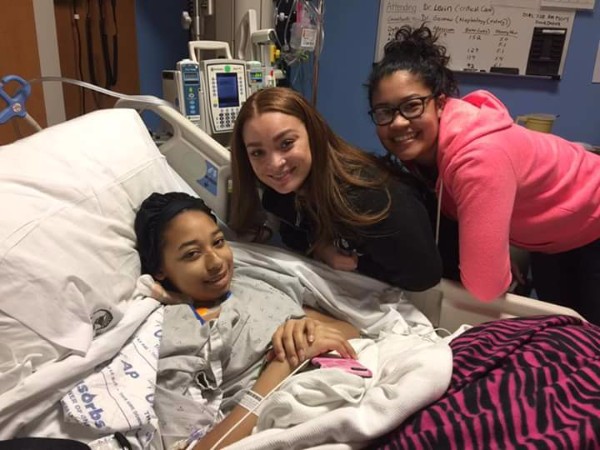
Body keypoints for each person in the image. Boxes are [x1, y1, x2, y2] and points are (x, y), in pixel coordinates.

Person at [366, 24, 600, 323]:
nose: (398, 123)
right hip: (552, 232)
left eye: (412, 106)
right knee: (562, 325)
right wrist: (492, 251)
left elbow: (485, 288)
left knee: (588, 335)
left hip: (593, 215)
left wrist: (489, 265)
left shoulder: (478, 159)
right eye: (384, 111)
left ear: (440, 103)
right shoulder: (424, 153)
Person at [134, 191, 360, 449]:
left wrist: (308, 330)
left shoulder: (258, 281)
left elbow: (351, 331)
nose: (216, 262)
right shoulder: (171, 332)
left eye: (218, 242)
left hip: (352, 391)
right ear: (160, 269)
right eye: (192, 254)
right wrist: (284, 363)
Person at [228, 87, 442, 292]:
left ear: (313, 134)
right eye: (257, 153)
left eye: (286, 143)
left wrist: (358, 263)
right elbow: (292, 232)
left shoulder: (375, 198)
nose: (274, 164)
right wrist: (320, 249)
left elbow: (423, 276)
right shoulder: (278, 193)